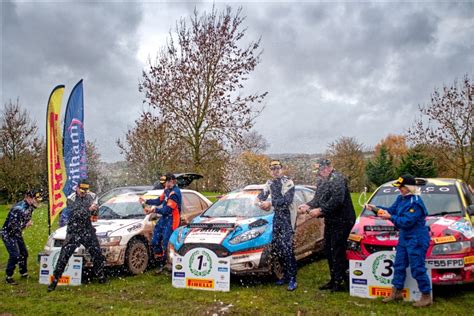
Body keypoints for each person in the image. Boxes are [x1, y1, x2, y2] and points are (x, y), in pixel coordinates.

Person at [366, 174, 432, 307]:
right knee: (399, 264)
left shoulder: (416, 203)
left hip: (417, 238)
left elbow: (406, 222)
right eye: (399, 187)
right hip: (405, 237)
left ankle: (426, 296)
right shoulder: (401, 198)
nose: (399, 189)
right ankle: (396, 292)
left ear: (409, 187)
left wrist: (389, 217)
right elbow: (391, 210)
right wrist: (375, 208)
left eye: (401, 187)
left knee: (417, 268)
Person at [298, 158, 355, 292]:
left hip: (343, 221)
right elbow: (318, 198)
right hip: (330, 221)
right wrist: (309, 205)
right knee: (328, 250)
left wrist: (320, 210)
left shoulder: (337, 179)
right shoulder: (322, 181)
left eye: (322, 170)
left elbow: (337, 200)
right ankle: (333, 278)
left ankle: (341, 281)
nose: (320, 173)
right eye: (318, 171)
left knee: (337, 251)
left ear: (329, 167)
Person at [48, 180, 106, 292]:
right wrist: (88, 209)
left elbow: (95, 214)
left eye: (85, 190)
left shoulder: (92, 196)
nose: (84, 193)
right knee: (64, 255)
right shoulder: (71, 198)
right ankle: (54, 281)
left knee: (97, 252)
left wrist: (95, 209)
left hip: (87, 229)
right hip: (74, 231)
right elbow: (76, 214)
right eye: (82, 190)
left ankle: (100, 276)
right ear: (77, 188)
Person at [256, 160, 297, 291]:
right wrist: (260, 204)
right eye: (273, 169)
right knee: (278, 248)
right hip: (277, 217)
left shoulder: (288, 182)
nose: (275, 171)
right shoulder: (269, 183)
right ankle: (284, 276)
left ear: (282, 169)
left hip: (287, 217)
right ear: (270, 171)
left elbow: (286, 200)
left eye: (278, 168)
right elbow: (259, 197)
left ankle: (292, 279)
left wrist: (270, 203)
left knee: (287, 248)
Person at [139, 173, 182, 273]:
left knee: (167, 243)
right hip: (164, 218)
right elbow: (159, 200)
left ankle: (171, 265)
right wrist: (146, 201)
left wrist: (153, 210)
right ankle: (161, 263)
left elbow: (167, 210)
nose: (164, 185)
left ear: (172, 181)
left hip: (172, 219)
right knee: (155, 241)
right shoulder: (166, 190)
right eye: (163, 183)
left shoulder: (175, 193)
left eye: (166, 182)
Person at [1, 190, 42, 285]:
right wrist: (25, 224)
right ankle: (8, 277)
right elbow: (13, 226)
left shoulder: (30, 206)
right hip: (8, 234)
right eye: (35, 200)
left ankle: (23, 273)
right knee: (15, 255)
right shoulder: (18, 208)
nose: (37, 202)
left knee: (24, 253)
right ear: (27, 197)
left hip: (16, 233)